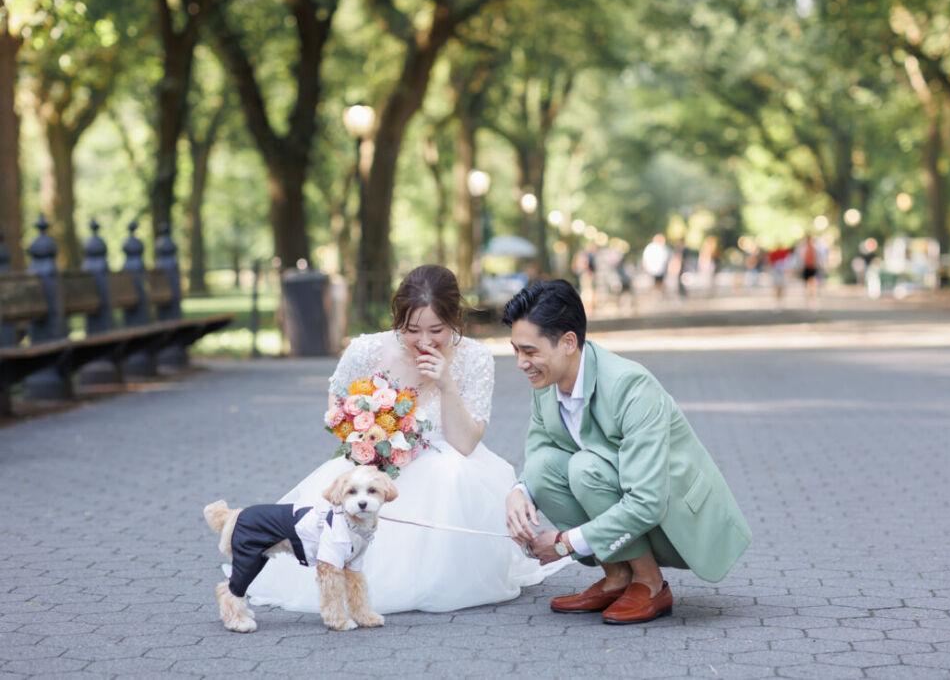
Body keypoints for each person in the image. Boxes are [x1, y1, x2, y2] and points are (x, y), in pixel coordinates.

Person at [245, 265, 563, 614]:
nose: (424, 341)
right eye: (412, 330)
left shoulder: (474, 357)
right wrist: (366, 437)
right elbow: (337, 410)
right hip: (372, 462)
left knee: (450, 475)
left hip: (445, 458)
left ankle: (440, 579)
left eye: (437, 330)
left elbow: (466, 444)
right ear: (398, 321)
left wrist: (446, 384)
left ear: (456, 320)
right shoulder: (366, 350)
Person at [502, 280, 751, 624]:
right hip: (622, 507)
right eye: (515, 350)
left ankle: (650, 583)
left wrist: (565, 543)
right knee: (542, 467)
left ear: (569, 343)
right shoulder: (546, 382)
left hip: (671, 516)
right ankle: (617, 576)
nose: (520, 363)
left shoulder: (631, 386)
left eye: (529, 351)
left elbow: (647, 501)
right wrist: (519, 491)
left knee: (585, 468)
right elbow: (542, 447)